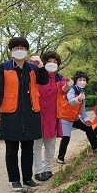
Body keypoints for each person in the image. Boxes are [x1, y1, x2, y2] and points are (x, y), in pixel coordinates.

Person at [0, 37, 49, 193]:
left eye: (23, 47)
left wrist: (41, 65)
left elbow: (44, 81)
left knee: (28, 149)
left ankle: (28, 179)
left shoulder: (33, 69)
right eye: (16, 48)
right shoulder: (2, 68)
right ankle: (15, 180)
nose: (19, 50)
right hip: (10, 115)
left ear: (27, 50)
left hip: (30, 114)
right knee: (11, 150)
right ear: (11, 50)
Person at [33, 51, 72, 182]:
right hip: (36, 115)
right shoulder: (36, 75)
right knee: (36, 145)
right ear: (44, 62)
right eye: (50, 61)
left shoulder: (59, 79)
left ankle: (47, 168)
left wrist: (68, 85)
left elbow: (63, 90)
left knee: (50, 145)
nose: (52, 64)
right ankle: (38, 171)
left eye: (55, 62)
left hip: (52, 116)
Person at [56, 71, 97, 163]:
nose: (82, 81)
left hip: (75, 118)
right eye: (80, 79)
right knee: (66, 137)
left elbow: (82, 108)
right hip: (65, 117)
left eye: (84, 80)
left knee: (89, 128)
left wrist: (86, 119)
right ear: (76, 81)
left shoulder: (82, 91)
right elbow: (71, 101)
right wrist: (78, 98)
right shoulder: (72, 89)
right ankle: (60, 157)